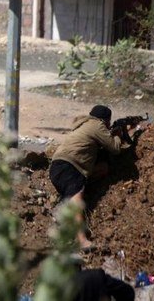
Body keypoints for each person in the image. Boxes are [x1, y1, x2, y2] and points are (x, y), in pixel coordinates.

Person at [49, 105, 127, 250]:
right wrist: (118, 134)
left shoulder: (84, 124)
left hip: (59, 166)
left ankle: (68, 200)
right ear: (106, 121)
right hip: (68, 166)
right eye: (108, 123)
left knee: (103, 168)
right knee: (77, 200)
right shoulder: (97, 125)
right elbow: (115, 148)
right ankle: (82, 240)